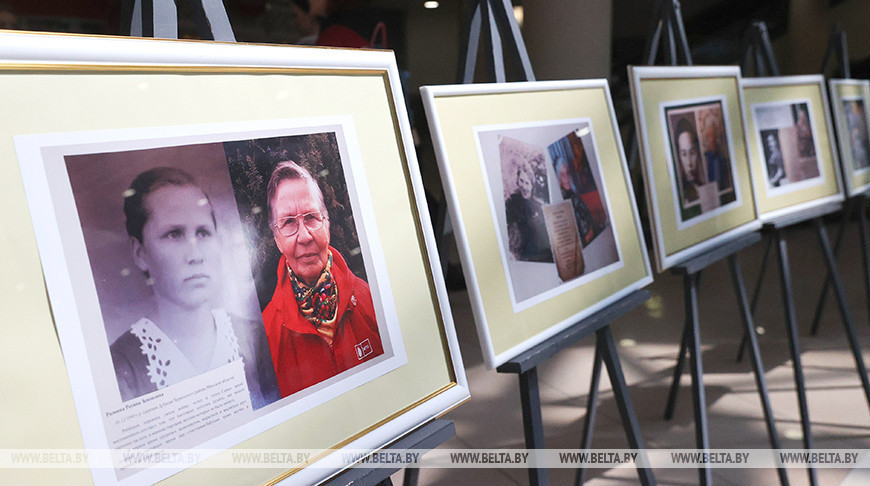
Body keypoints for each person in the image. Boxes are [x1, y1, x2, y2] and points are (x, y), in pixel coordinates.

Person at [110, 167, 280, 409]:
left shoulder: (255, 338)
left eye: (203, 232)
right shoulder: (122, 367)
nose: (195, 255)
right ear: (140, 253)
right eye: (174, 234)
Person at [262, 161, 383, 397]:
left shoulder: (370, 299)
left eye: (311, 217)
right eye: (288, 222)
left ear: (326, 223)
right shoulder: (267, 337)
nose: (304, 236)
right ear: (276, 239)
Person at [505, 162, 553, 262]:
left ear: (532, 186)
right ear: (517, 181)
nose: (524, 186)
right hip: (521, 258)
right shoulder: (511, 202)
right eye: (521, 181)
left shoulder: (539, 206)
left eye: (527, 183)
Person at [674, 118, 705, 205]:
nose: (689, 163)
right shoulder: (681, 193)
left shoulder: (702, 186)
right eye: (684, 154)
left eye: (692, 153)